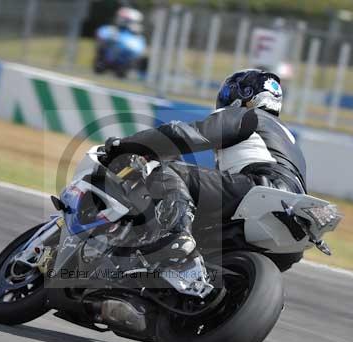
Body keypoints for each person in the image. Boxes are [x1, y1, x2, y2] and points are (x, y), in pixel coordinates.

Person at [103, 69, 307, 267]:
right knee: (204, 233)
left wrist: (126, 145)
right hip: (293, 220)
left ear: (244, 94)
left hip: (259, 189)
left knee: (169, 172)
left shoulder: (246, 115)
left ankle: (174, 237)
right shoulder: (286, 137)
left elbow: (184, 135)